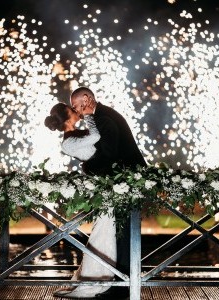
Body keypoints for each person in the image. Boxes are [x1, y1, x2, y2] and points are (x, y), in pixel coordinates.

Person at [70, 86, 147, 299]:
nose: (76, 111)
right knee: (121, 232)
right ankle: (123, 283)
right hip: (126, 180)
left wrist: (87, 167)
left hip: (129, 181)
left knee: (123, 234)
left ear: (86, 99)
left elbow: (109, 153)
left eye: (76, 105)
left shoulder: (104, 118)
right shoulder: (101, 117)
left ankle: (122, 286)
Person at [44, 102, 117, 299]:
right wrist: (89, 116)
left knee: (105, 227)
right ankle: (97, 276)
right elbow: (95, 137)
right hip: (100, 183)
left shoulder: (74, 135)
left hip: (103, 179)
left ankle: (101, 272)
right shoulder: (67, 142)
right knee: (104, 228)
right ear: (67, 119)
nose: (77, 111)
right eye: (73, 110)